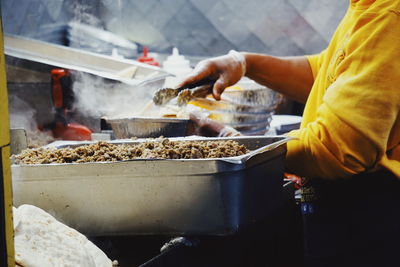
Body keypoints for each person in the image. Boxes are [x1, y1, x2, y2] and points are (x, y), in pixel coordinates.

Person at [178, 0, 400, 266]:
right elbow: (332, 74)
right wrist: (245, 63)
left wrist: (230, 143)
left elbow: (337, 149)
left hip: (372, 224)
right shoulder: (371, 7)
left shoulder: (388, 15)